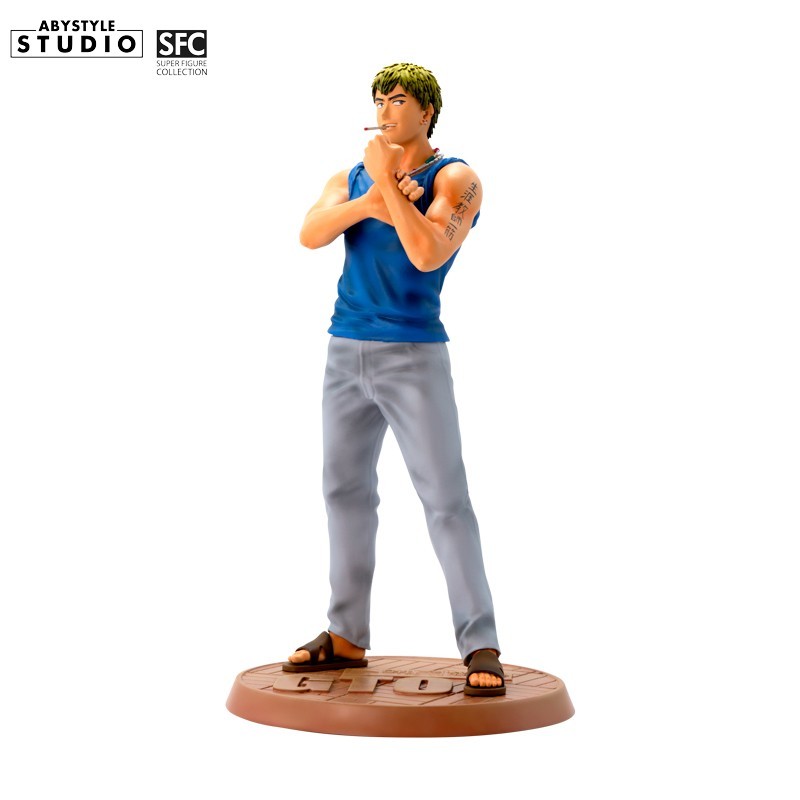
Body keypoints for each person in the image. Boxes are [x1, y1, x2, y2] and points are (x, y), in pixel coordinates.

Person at [284, 63, 504, 695]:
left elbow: (428, 253)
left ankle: (481, 641)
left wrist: (388, 186)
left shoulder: (455, 178)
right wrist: (375, 196)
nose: (384, 111)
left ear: (427, 110)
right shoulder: (350, 177)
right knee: (344, 491)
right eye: (378, 99)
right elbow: (309, 233)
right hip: (344, 348)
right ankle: (346, 634)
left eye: (398, 100)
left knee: (445, 499)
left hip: (413, 354)